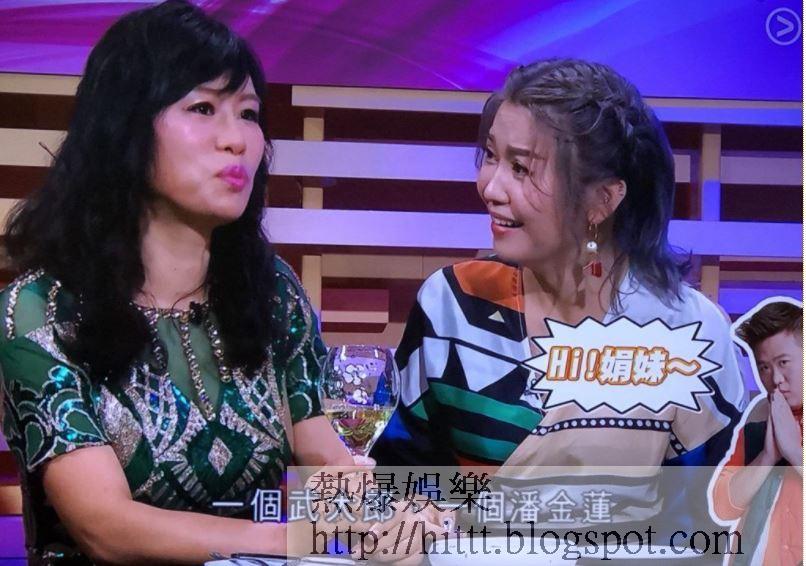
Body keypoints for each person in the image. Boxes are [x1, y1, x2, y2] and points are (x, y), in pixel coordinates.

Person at [0, 2, 441, 564]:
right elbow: (106, 528)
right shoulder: (38, 311)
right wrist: (298, 539)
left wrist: (385, 517)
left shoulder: (271, 291)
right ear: (124, 127)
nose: (236, 140)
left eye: (249, 114)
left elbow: (326, 460)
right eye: (203, 108)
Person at [373, 59, 746, 531]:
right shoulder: (450, 305)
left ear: (602, 200)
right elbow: (393, 479)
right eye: (491, 156)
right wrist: (408, 521)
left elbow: (717, 521)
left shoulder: (686, 334)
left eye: (521, 168)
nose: (490, 187)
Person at [711, 301, 802, 566]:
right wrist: (767, 457)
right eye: (764, 367)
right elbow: (722, 506)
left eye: (783, 362)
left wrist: (796, 454)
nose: (776, 379)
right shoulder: (760, 415)